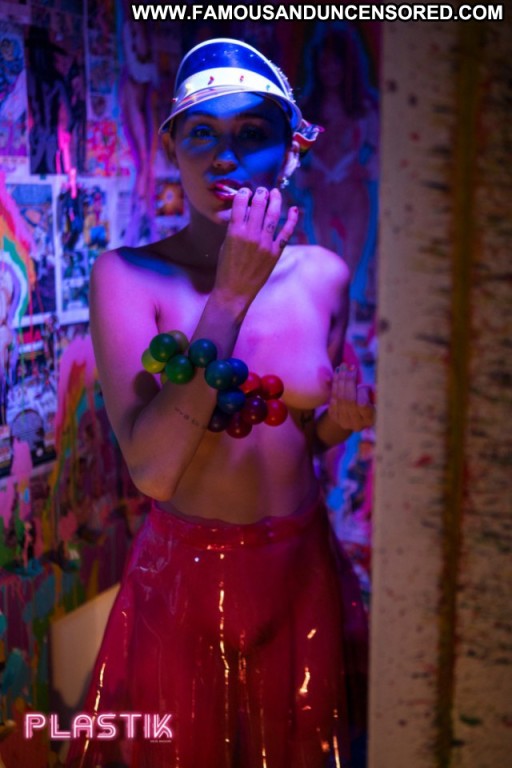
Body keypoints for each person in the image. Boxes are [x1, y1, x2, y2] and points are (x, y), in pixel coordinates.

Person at [66, 38, 374, 768]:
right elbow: (153, 472)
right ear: (172, 147)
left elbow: (300, 438)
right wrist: (229, 296)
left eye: (251, 134)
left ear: (290, 150)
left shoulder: (325, 276)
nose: (223, 158)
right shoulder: (125, 277)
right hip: (188, 583)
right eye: (201, 133)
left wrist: (341, 422)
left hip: (301, 569)